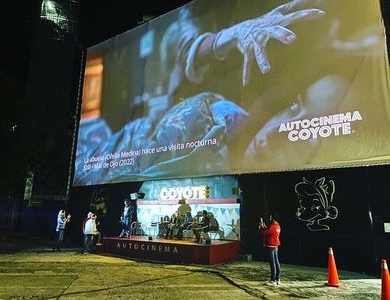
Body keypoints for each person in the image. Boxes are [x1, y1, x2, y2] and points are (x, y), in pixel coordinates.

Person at [73, 0, 327, 185]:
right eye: (294, 109)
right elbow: (184, 39)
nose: (274, 136)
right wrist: (225, 39)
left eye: (309, 140)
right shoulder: (218, 116)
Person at [259, 213, 281, 285]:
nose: (270, 219)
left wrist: (261, 228)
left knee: (272, 263)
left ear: (274, 219)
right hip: (276, 246)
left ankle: (273, 280)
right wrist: (264, 227)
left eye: (271, 217)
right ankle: (278, 279)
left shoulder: (273, 226)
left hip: (271, 246)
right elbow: (269, 232)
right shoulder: (278, 226)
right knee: (276, 262)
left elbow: (264, 233)